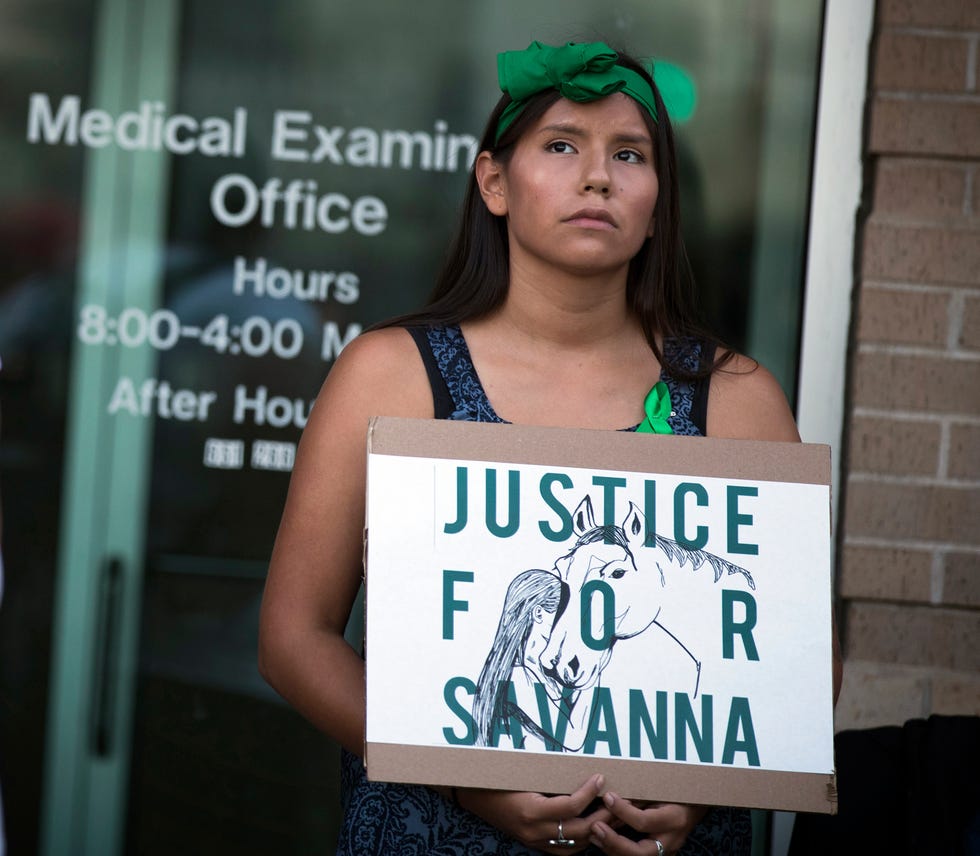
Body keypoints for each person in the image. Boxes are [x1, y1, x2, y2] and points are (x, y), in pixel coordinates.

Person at [259, 40, 843, 856]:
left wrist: (705, 797)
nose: (597, 176)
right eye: (562, 145)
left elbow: (806, 663)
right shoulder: (390, 376)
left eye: (629, 154)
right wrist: (465, 776)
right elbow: (293, 637)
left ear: (658, 201)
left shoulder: (737, 399)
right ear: (493, 181)